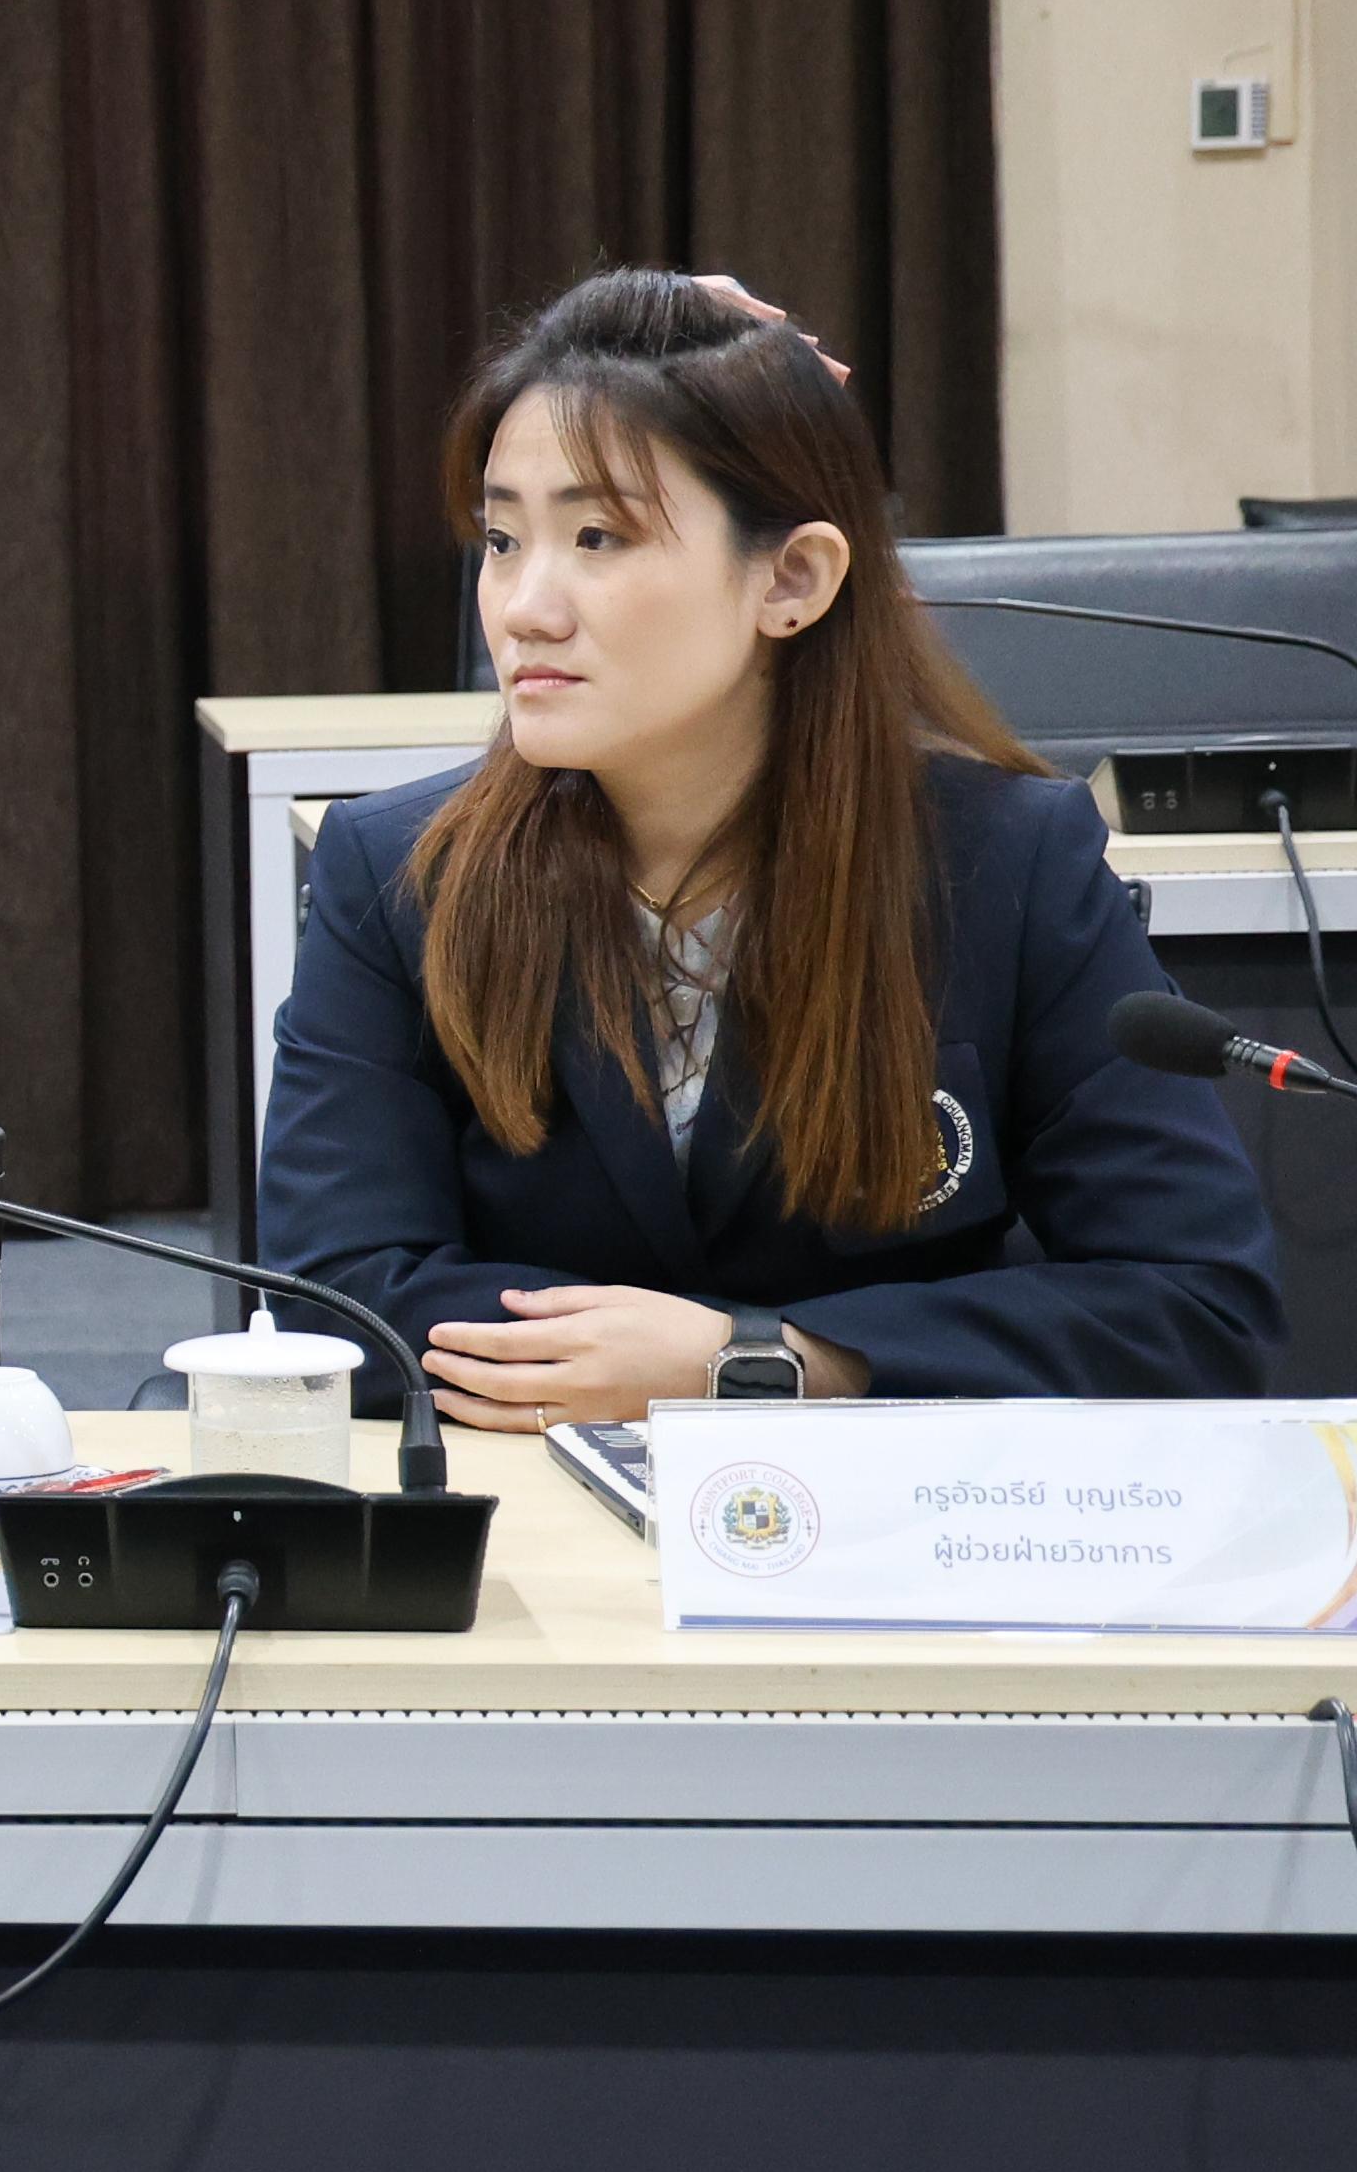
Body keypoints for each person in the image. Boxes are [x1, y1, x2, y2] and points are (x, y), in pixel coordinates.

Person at [260, 269, 1282, 1416]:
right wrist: (634, 1365)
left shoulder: (1009, 862)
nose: (524, 606)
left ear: (793, 578)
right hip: (523, 1501)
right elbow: (331, 1300)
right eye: (502, 539)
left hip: (890, 1511)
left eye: (598, 536)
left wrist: (762, 1360)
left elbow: (1196, 1305)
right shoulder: (400, 872)